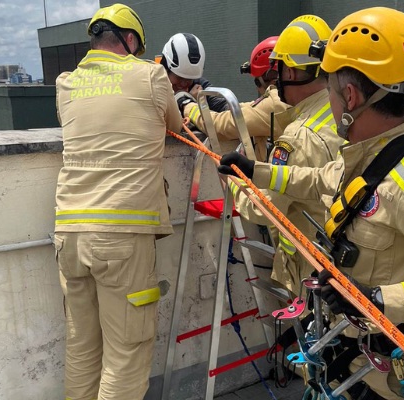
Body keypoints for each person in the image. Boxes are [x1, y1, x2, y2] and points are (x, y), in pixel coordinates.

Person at [218, 7, 404, 400]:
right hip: (340, 359)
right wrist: (256, 170)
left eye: (329, 89)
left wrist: (376, 299)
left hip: (386, 380)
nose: (327, 100)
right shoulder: (362, 159)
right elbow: (316, 180)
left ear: (348, 96)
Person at [53, 4, 183, 400]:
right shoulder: (150, 75)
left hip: (69, 235)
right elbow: (176, 127)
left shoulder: (66, 84)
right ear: (130, 40)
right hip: (121, 237)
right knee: (127, 353)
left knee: (82, 349)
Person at [221, 15, 344, 297]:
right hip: (342, 262)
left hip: (310, 271)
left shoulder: (298, 137)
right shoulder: (343, 114)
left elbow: (265, 209)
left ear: (289, 73)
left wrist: (234, 183)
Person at [176, 36, 288, 162]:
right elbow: (245, 109)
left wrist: (186, 103)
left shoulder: (275, 105)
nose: (257, 89)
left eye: (257, 82)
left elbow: (217, 125)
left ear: (271, 78)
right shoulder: (296, 100)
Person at [159, 32, 229, 112]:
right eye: (179, 77)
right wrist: (189, 101)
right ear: (165, 69)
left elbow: (222, 106)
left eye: (189, 79)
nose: (184, 84)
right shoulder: (154, 89)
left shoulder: (198, 85)